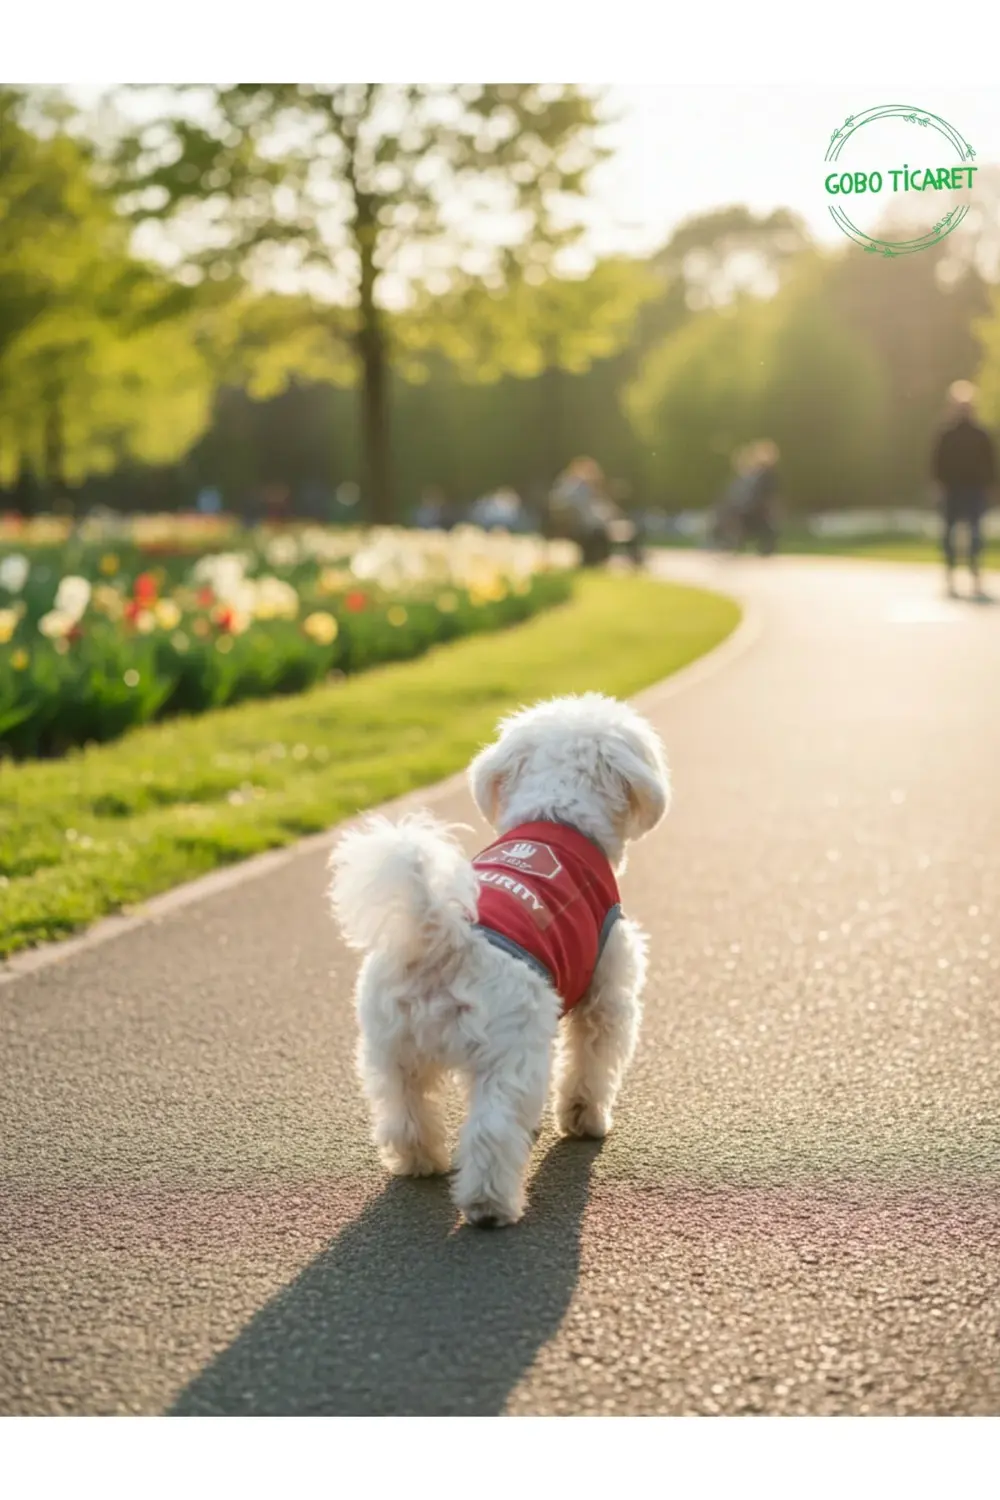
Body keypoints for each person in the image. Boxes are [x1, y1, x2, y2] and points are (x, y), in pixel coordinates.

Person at [932, 381, 997, 599]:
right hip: (953, 490)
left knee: (976, 534)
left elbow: (989, 464)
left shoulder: (980, 435)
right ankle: (951, 575)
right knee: (950, 534)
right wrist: (939, 486)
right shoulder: (946, 434)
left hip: (974, 489)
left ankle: (975, 574)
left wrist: (989, 487)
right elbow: (937, 463)